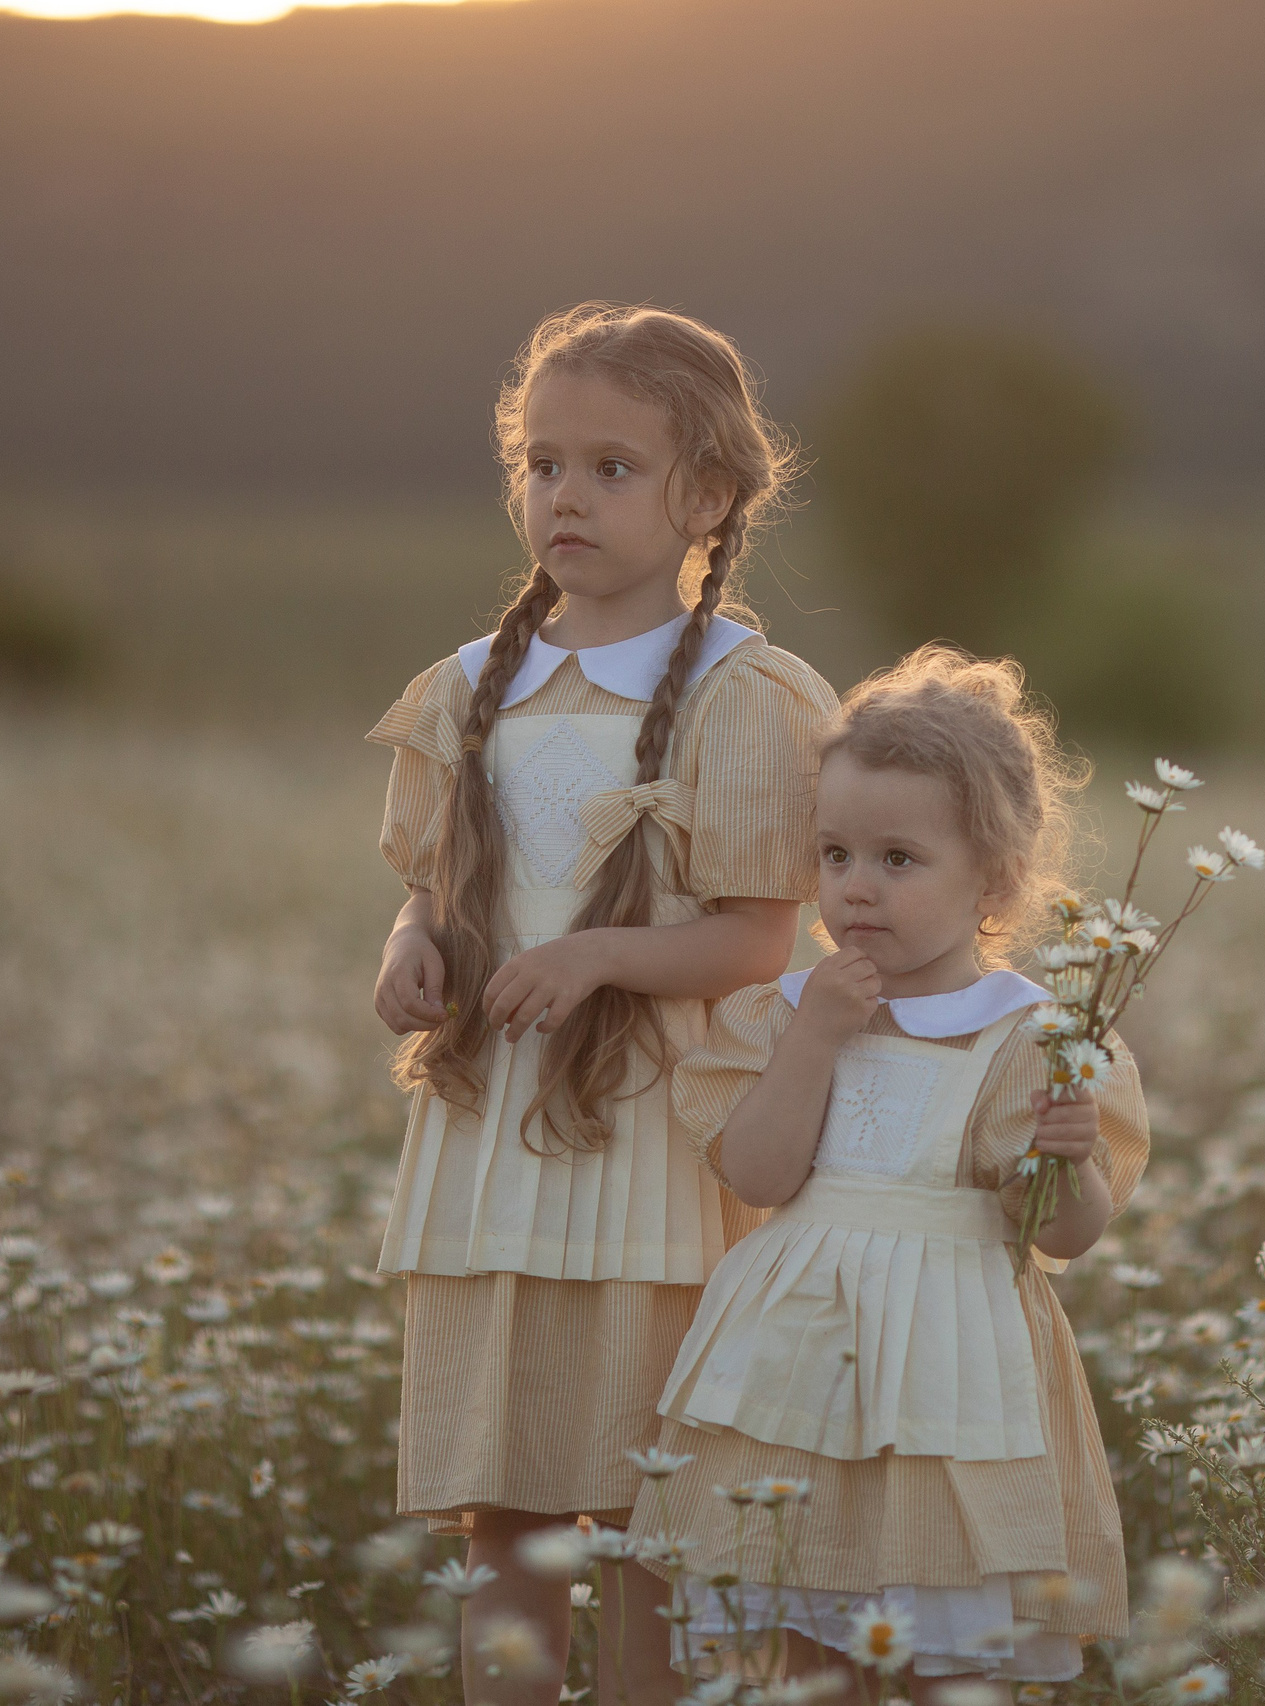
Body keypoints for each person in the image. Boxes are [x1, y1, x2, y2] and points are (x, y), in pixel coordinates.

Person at [368, 303, 839, 1706]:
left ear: (707, 496)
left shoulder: (741, 695)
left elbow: (761, 937)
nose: (565, 494)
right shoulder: (468, 688)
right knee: (504, 1511)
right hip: (491, 1146)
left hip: (650, 1156)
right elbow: (436, 882)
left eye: (612, 468)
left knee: (645, 1509)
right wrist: (410, 939)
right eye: (542, 462)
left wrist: (600, 959)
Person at [644, 646, 1148, 1688]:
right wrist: (816, 1037)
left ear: (993, 879)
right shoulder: (786, 1010)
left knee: (945, 1631)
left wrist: (1065, 1160)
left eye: (897, 859)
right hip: (795, 1361)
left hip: (950, 1368)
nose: (855, 887)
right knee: (779, 1621)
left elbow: (1060, 1233)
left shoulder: (1025, 1035)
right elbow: (759, 1173)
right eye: (834, 854)